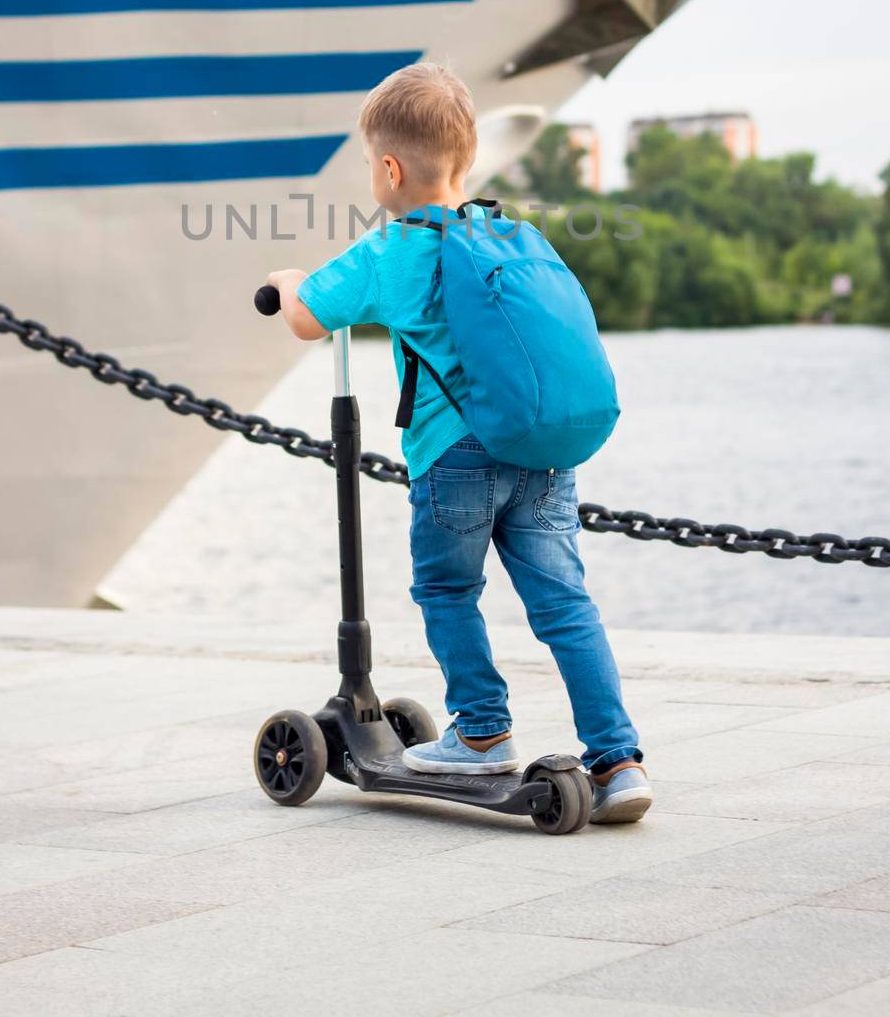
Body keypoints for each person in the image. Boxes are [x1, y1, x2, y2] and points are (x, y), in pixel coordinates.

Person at [265, 61, 651, 823]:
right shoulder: (510, 231)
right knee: (566, 607)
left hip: (455, 461)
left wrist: (285, 282)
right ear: (467, 161)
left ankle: (480, 731)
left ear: (386, 167)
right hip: (541, 450)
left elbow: (309, 316)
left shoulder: (392, 251)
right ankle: (618, 759)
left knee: (446, 590)